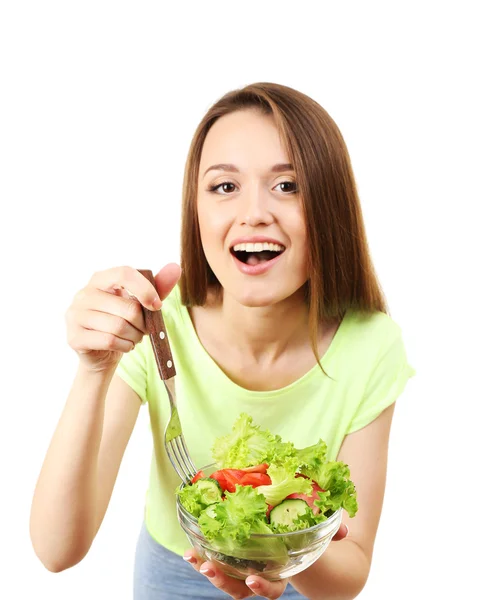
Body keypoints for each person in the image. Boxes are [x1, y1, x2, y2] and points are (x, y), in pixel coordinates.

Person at [29, 82, 415, 599]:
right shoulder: (155, 320)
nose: (254, 213)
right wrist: (93, 369)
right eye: (224, 187)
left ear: (330, 205)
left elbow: (350, 571)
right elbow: (57, 550)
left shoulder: (371, 344)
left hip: (301, 582)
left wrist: (278, 551)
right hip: (172, 575)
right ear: (196, 210)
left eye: (288, 185)